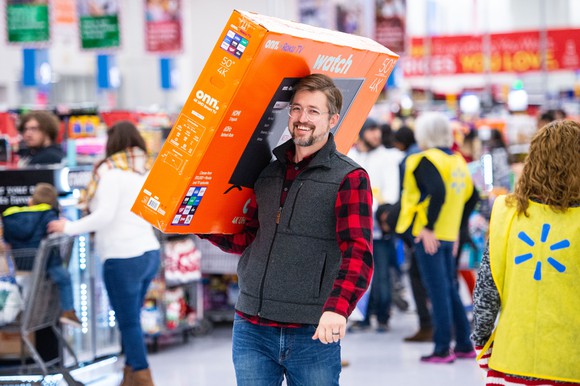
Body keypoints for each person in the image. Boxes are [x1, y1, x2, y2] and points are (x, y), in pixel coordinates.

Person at [198, 74, 373, 386]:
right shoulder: (269, 172)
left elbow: (359, 253)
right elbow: (250, 237)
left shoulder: (349, 178)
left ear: (333, 119)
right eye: (296, 109)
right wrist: (199, 225)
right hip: (252, 326)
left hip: (312, 331)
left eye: (313, 111)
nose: (302, 119)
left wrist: (338, 310)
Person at [48, 121, 161, 386]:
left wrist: (69, 227)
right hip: (148, 253)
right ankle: (131, 375)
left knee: (128, 322)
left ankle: (143, 377)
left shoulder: (111, 173)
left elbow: (104, 216)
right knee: (132, 318)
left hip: (122, 257)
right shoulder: (144, 171)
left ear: (113, 143)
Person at [472, 120, 580, 385]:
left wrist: (481, 342)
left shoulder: (506, 213)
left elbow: (486, 291)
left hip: (512, 361)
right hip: (571, 363)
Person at [395, 111, 478, 363]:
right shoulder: (457, 161)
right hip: (448, 235)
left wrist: (428, 227)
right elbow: (472, 197)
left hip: (428, 236)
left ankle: (443, 348)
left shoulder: (424, 160)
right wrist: (456, 233)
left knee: (437, 292)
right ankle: (463, 344)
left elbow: (437, 192)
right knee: (449, 289)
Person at [347, 118, 402, 332]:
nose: (376, 134)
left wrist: (382, 211)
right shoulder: (351, 156)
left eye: (377, 130)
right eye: (371, 130)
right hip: (356, 228)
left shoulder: (387, 158)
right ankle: (362, 316)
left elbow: (391, 191)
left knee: (381, 276)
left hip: (380, 229)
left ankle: (382, 316)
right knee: (357, 273)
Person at [2, 183, 80, 327]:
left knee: (26, 288)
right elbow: (58, 231)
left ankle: (26, 313)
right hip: (46, 263)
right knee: (64, 278)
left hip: (23, 265)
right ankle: (68, 311)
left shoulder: (12, 217)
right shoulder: (48, 215)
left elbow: (7, 242)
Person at [392, 125, 432, 342]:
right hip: (438, 229)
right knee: (437, 280)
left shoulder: (410, 161)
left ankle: (428, 326)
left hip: (418, 228)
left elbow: (408, 195)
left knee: (418, 276)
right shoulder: (439, 158)